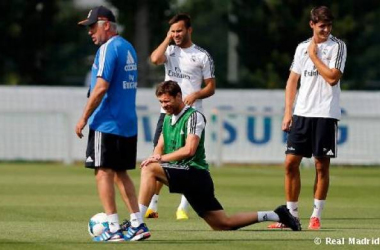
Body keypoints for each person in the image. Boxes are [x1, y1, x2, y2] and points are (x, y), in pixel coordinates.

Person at [137, 80, 301, 232]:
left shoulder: (194, 116)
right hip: (184, 173)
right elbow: (159, 146)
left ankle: (137, 223)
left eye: (167, 101)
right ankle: (276, 215)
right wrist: (155, 156)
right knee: (223, 224)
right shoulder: (167, 118)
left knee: (149, 169)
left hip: (195, 173)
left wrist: (159, 159)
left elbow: (189, 150)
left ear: (179, 96)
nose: (164, 105)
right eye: (161, 102)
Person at [268, 6, 347, 230]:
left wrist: (314, 56)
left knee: (321, 166)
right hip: (302, 114)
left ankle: (316, 215)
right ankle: (291, 217)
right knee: (290, 163)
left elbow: (333, 78)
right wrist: (288, 112)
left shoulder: (337, 46)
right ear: (312, 24)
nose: (326, 30)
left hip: (325, 114)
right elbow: (293, 81)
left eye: (329, 26)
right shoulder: (302, 47)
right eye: (322, 26)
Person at [75, 6, 150, 242]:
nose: (89, 32)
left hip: (106, 122)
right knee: (120, 173)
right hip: (127, 121)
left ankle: (114, 228)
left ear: (105, 24)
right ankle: (137, 224)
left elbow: (101, 87)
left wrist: (84, 117)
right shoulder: (128, 47)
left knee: (103, 172)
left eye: (92, 26)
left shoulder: (108, 48)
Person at [147, 13, 216, 220]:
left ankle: (183, 207)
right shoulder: (169, 51)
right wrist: (167, 39)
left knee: (188, 158)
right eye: (173, 31)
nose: (176, 35)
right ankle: (153, 205)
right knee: (158, 155)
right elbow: (154, 59)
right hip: (167, 114)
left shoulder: (202, 55)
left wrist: (195, 94)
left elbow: (211, 87)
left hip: (192, 114)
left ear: (189, 30)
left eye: (179, 31)